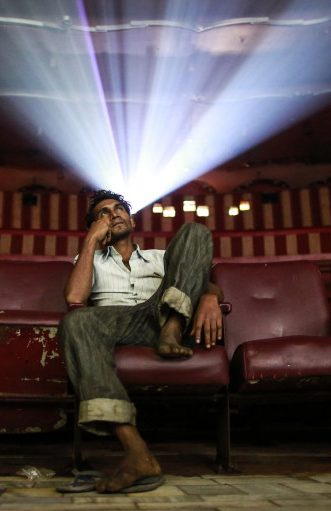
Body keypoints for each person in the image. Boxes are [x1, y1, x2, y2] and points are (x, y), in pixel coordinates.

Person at [58, 190, 223, 493]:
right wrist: (91, 242)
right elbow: (75, 299)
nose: (114, 214)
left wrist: (212, 296)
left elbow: (204, 282)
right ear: (96, 226)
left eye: (119, 209)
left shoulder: (161, 257)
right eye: (104, 213)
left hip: (160, 315)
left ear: (131, 218)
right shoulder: (89, 258)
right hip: (116, 323)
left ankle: (171, 328)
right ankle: (136, 453)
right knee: (75, 320)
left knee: (195, 231)